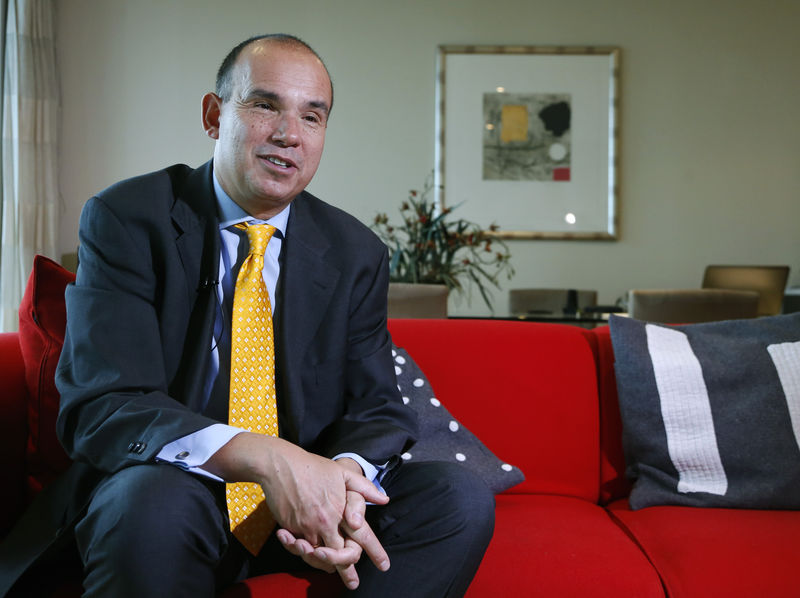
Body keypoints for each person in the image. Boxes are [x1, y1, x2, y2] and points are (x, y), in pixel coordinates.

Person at [0, 34, 494, 597]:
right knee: (150, 505)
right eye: (265, 105)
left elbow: (377, 408)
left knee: (458, 498)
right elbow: (105, 403)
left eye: (313, 116)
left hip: (308, 508)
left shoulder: (355, 252)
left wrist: (342, 484)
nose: (289, 134)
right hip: (178, 488)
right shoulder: (128, 220)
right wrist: (266, 458)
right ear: (214, 116)